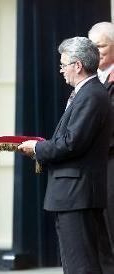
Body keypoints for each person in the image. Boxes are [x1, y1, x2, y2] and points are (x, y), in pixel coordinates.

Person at [18, 36, 114, 274]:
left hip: (78, 194)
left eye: (63, 65)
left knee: (81, 265)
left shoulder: (91, 94)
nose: (61, 71)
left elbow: (72, 143)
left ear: (78, 65)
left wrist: (38, 149)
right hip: (73, 193)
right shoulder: (86, 93)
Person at [88, 22, 114, 253]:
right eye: (92, 47)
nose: (96, 53)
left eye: (101, 46)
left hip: (111, 159)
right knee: (98, 236)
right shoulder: (90, 78)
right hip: (93, 164)